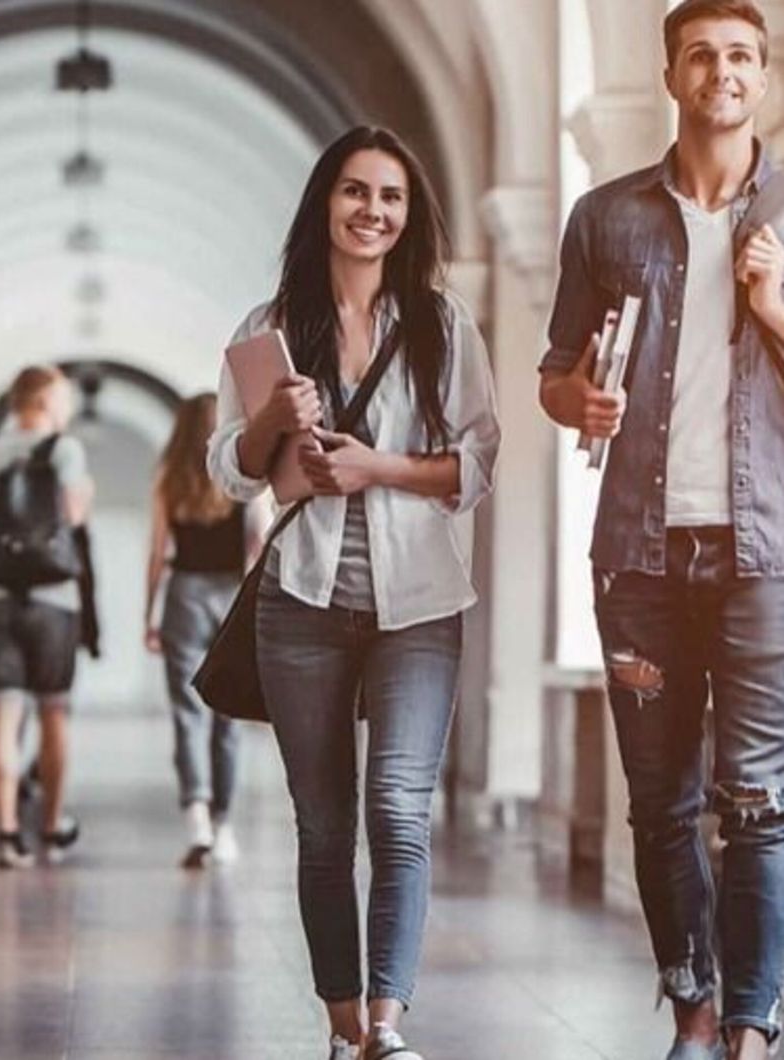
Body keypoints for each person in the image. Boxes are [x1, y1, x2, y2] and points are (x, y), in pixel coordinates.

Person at [207, 126, 500, 1060]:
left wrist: (378, 466)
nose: (372, 211)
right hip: (303, 602)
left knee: (399, 809)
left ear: (409, 217)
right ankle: (343, 1028)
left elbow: (479, 461)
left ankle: (388, 1023)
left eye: (391, 197)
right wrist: (269, 425)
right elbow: (232, 472)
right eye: (354, 192)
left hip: (420, 604)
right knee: (324, 822)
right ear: (324, 204)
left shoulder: (443, 325)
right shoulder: (269, 326)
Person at [539, 3, 784, 1057]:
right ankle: (690, 1004)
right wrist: (577, 404)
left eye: (740, 56)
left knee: (760, 799)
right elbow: (554, 375)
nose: (720, 73)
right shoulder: (604, 217)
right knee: (660, 803)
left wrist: (774, 304)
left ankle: (750, 1025)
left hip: (763, 555)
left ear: (764, 76)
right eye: (702, 56)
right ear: (672, 75)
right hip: (638, 551)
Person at [0, 366, 93, 869]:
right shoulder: (65, 450)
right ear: (43, 400)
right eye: (63, 400)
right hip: (54, 599)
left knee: (3, 716)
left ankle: (7, 834)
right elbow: (75, 516)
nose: (68, 410)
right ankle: (53, 828)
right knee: (54, 713)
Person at [143, 392, 264, 868]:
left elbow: (157, 553)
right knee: (227, 718)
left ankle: (195, 813)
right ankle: (224, 824)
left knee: (187, 712)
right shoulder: (243, 476)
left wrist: (148, 615)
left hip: (184, 597)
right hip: (231, 597)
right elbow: (260, 540)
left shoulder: (168, 478)